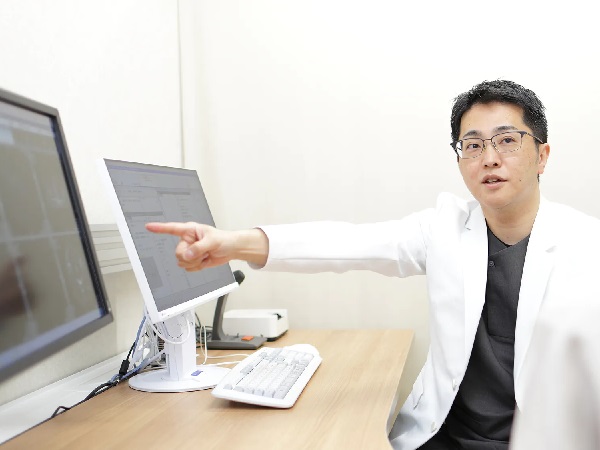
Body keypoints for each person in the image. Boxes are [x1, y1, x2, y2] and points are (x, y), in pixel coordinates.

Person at [145, 80, 600, 449]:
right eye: (473, 145)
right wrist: (232, 244)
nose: (490, 158)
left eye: (507, 141)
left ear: (542, 156)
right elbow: (347, 243)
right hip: (445, 437)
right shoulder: (445, 228)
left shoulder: (586, 246)